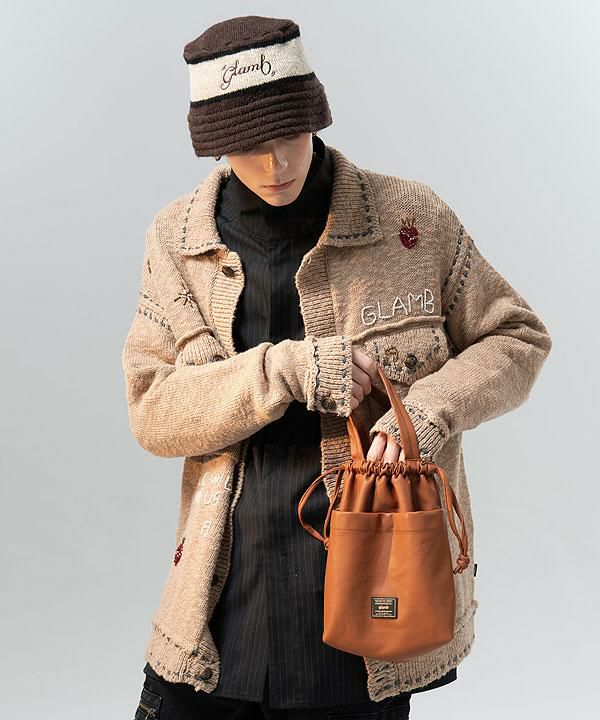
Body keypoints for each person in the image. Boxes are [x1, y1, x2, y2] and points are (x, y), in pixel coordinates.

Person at [123, 14, 553, 720]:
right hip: (221, 609)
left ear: (314, 115)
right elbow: (152, 411)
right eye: (249, 146)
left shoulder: (412, 220)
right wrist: (288, 370)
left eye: (289, 134)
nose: (276, 164)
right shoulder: (178, 242)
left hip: (370, 605)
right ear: (215, 144)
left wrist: (425, 413)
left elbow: (518, 337)